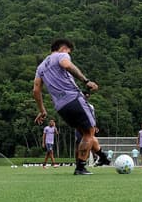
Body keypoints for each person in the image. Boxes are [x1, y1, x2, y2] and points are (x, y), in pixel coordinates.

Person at [33, 38, 111, 175]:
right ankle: (80, 167)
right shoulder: (61, 55)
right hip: (73, 98)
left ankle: (102, 156)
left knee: (84, 133)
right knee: (89, 133)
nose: (69, 54)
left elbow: (36, 90)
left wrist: (42, 110)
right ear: (63, 48)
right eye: (69, 51)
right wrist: (86, 81)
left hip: (61, 107)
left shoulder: (40, 68)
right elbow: (67, 65)